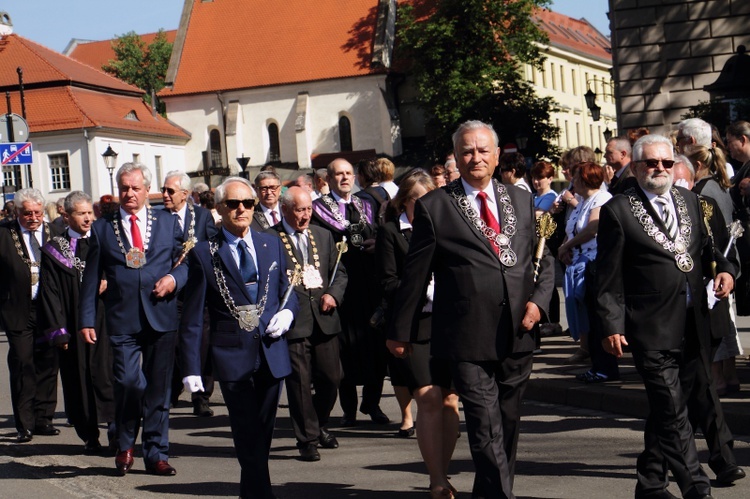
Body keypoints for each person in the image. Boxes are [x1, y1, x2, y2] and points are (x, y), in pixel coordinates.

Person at [389, 120, 554, 499]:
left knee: (508, 423)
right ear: (456, 158)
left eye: (483, 150)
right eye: (467, 151)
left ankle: (490, 491)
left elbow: (542, 262)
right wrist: (400, 330)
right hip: (465, 334)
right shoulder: (435, 206)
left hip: (519, 329)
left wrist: (539, 301)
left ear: (497, 156)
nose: (475, 157)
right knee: (484, 422)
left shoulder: (523, 200)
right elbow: (415, 276)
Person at [596, 134, 735, 499]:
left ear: (675, 166)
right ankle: (696, 486)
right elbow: (607, 276)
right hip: (650, 327)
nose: (659, 169)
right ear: (636, 167)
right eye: (650, 163)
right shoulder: (619, 209)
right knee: (673, 411)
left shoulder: (691, 202)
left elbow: (712, 250)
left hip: (694, 323)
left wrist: (726, 271)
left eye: (666, 163)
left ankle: (650, 482)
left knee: (669, 407)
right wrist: (611, 325)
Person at [179, 176, 298, 499]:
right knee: (247, 431)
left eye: (248, 203)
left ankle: (253, 491)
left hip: (271, 351)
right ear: (219, 209)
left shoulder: (271, 242)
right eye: (233, 204)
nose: (242, 209)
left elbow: (289, 290)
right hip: (232, 354)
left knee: (263, 430)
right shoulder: (204, 253)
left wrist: (288, 313)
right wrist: (190, 367)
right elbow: (192, 317)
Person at [79, 162, 188, 476]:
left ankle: (156, 453)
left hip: (161, 315)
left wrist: (174, 280)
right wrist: (87, 319)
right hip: (122, 317)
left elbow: (184, 262)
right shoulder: (102, 227)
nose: (129, 193)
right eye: (124, 188)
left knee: (159, 389)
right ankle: (125, 442)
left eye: (135, 188)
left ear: (146, 190)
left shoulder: (167, 222)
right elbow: (91, 278)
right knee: (129, 381)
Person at [380, 169, 460, 499]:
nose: (427, 207)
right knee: (427, 398)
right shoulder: (391, 233)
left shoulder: (447, 229)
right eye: (419, 201)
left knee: (450, 400)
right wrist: (420, 288)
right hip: (415, 325)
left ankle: (442, 469)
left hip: (449, 324)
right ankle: (437, 479)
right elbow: (386, 282)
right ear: (405, 202)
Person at [268, 186, 347, 462]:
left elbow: (339, 273)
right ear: (285, 210)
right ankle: (307, 439)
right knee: (299, 384)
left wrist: (333, 294)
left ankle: (320, 423)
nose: (305, 215)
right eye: (300, 210)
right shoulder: (270, 238)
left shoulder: (323, 235)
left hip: (324, 319)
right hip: (294, 322)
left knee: (331, 378)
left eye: (309, 209)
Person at [311, 158, 388, 426]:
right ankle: (350, 409)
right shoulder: (317, 209)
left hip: (369, 283)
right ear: (328, 180)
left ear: (354, 177)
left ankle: (373, 403)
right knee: (343, 349)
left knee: (374, 345)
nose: (344, 178)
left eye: (348, 173)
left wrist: (375, 243)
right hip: (340, 286)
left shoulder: (366, 203)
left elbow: (381, 233)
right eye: (338, 174)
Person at [38, 191, 115, 453]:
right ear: (66, 216)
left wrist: (109, 280)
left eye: (89, 213)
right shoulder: (53, 251)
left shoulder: (106, 241)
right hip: (73, 324)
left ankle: (117, 433)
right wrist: (59, 331)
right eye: (81, 213)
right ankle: (89, 436)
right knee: (78, 380)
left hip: (106, 322)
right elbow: (50, 294)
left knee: (109, 375)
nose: (87, 218)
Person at [0, 188, 64, 443]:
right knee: (23, 362)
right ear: (17, 212)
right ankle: (24, 423)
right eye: (27, 213)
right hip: (16, 309)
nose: (34, 217)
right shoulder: (4, 234)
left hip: (48, 308)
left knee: (49, 362)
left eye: (37, 212)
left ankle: (43, 419)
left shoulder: (54, 233)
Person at [162, 170, 220, 416]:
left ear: (185, 194)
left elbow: (213, 248)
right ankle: (174, 387)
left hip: (197, 291)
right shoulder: (158, 216)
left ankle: (202, 396)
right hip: (168, 291)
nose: (165, 195)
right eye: (164, 190)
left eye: (170, 191)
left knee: (202, 344)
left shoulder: (203, 216)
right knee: (172, 342)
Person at [557, 162, 618, 383]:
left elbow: (593, 228)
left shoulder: (601, 199)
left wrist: (566, 246)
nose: (572, 182)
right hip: (579, 264)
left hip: (595, 265)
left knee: (596, 317)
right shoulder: (581, 201)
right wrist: (564, 247)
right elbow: (571, 229)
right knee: (586, 317)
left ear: (584, 179)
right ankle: (596, 364)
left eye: (575, 177)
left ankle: (605, 367)